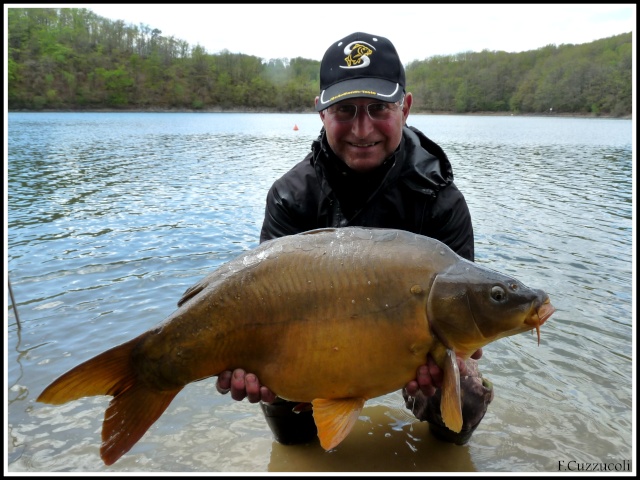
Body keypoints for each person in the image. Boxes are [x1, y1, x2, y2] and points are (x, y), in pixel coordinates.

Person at [215, 31, 494, 446]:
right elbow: (261, 301)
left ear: (406, 108)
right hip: (311, 342)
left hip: (407, 347)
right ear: (321, 113)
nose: (363, 129)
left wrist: (449, 361)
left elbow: (463, 321)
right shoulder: (291, 196)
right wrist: (252, 362)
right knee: (288, 426)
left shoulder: (441, 201)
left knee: (463, 393)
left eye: (379, 108)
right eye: (345, 110)